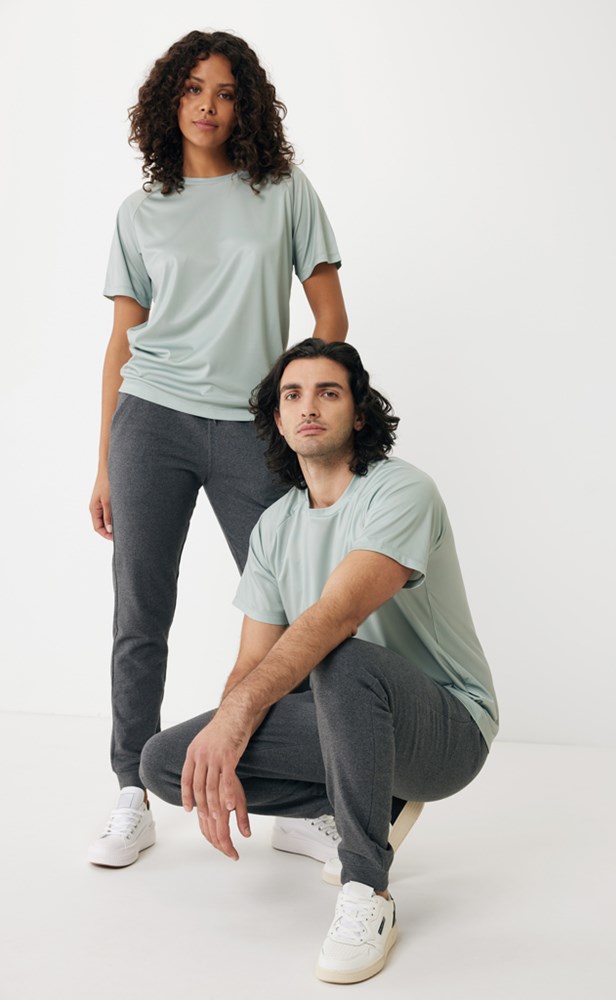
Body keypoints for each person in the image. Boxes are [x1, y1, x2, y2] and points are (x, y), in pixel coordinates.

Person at [139, 338, 499, 984]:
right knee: (171, 762)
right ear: (277, 420)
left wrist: (237, 721)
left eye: (328, 393)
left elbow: (337, 616)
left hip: (446, 730)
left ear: (357, 414)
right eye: (293, 395)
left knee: (340, 658)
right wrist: (224, 729)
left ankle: (367, 888)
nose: (309, 406)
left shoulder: (401, 491)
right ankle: (365, 801)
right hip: (350, 723)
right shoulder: (274, 526)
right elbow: (251, 661)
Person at [87, 31, 347, 867]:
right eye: (193, 88)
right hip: (151, 420)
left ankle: (302, 803)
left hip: (250, 429)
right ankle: (132, 791)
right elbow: (121, 343)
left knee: (292, 614)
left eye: (226, 92)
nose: (207, 105)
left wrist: (296, 406)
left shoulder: (283, 192)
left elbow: (330, 316)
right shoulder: (139, 212)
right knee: (140, 609)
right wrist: (104, 462)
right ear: (170, 100)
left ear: (247, 106)